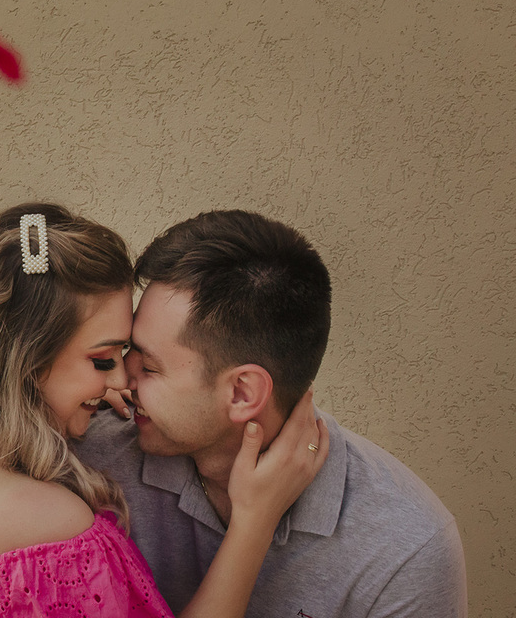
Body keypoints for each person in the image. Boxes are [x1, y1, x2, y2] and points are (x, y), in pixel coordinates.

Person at [0, 203, 327, 617]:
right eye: (103, 359)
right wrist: (253, 522)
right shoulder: (53, 528)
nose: (121, 381)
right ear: (30, 362)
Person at [77, 209, 469, 617]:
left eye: (148, 364)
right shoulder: (91, 458)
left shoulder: (404, 552)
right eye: (127, 349)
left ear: (242, 393)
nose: (120, 376)